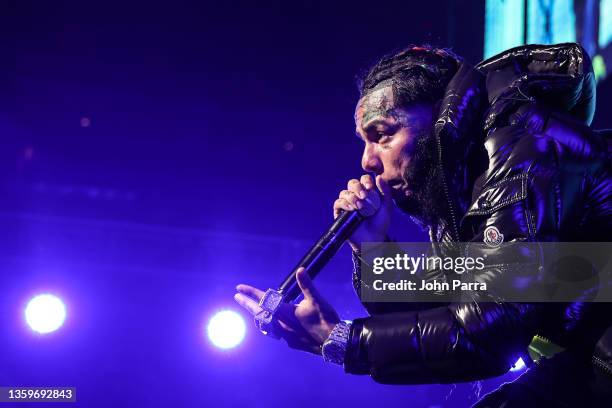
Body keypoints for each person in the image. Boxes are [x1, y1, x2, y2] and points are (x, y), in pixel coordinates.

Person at [234, 43, 612, 407]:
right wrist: (373, 250)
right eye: (364, 141)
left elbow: (492, 328)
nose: (367, 161)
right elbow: (450, 299)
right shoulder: (459, 182)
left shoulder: (521, 146)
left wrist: (343, 340)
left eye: (382, 135)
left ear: (437, 114)